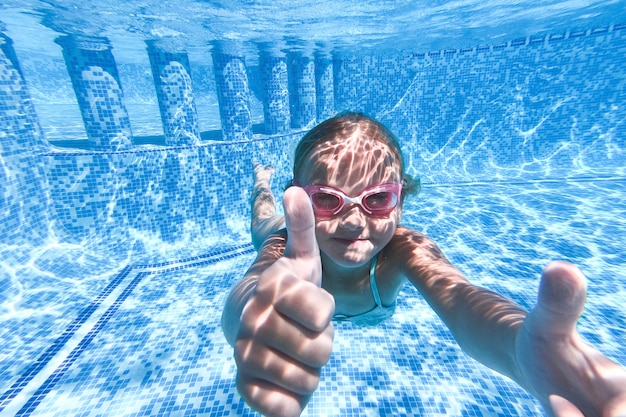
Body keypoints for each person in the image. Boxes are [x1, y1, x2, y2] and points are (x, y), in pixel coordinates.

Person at [221, 112, 626, 417]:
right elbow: (253, 287)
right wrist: (249, 316)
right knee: (262, 219)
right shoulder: (284, 248)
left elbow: (462, 297)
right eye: (327, 198)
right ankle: (263, 183)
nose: (354, 220)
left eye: (377, 199)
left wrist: (516, 350)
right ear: (304, 197)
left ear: (400, 201)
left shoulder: (403, 249)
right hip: (280, 226)